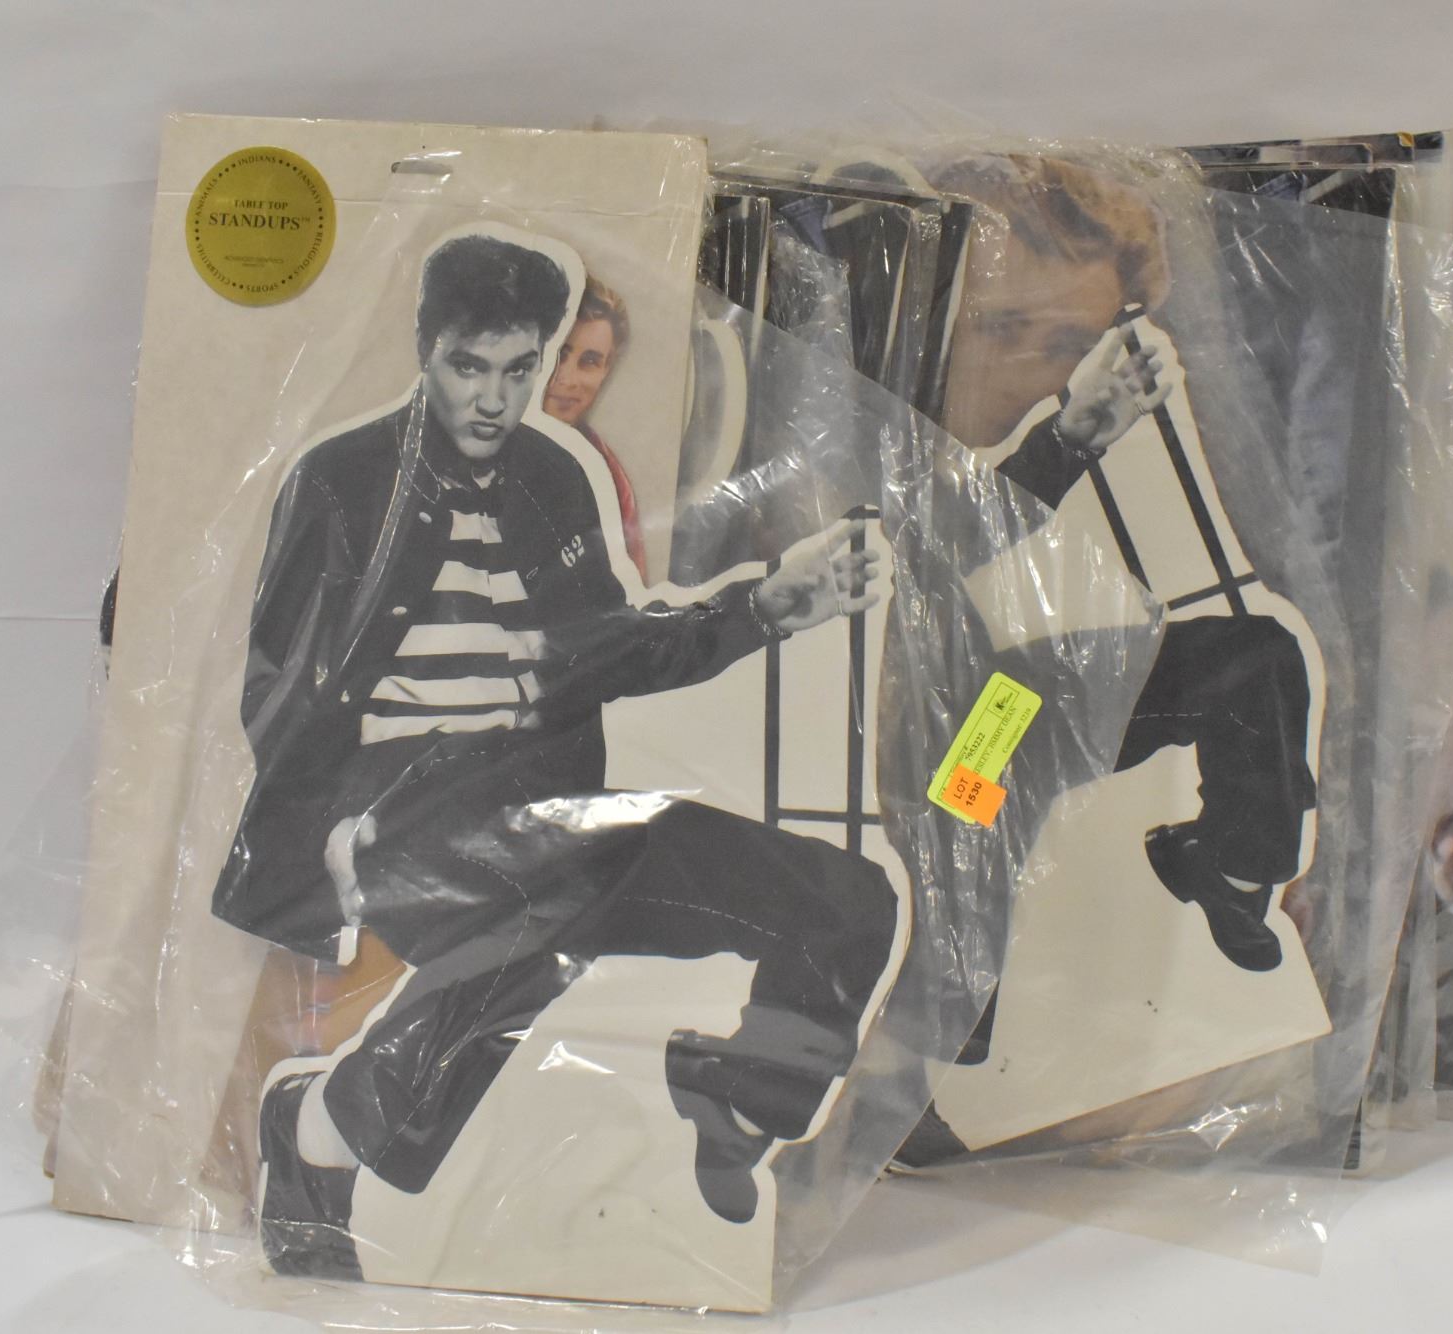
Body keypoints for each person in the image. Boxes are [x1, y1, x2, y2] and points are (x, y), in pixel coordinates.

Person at [213, 232, 899, 1278]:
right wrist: (335, 833)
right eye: (469, 366)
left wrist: (765, 605)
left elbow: (605, 656)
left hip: (546, 820)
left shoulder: (553, 477)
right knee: (554, 885)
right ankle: (323, 1136)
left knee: (848, 901)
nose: (495, 398)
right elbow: (279, 687)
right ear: (426, 350)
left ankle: (726, 1103)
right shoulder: (342, 478)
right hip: (398, 808)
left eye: (519, 369)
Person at [936, 154, 1317, 976]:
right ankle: (953, 997)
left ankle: (1230, 870)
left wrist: (1077, 434)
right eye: (1002, 328)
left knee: (1257, 658)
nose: (1032, 374)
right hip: (914, 744)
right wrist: (1068, 441)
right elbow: (929, 551)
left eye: (1067, 344)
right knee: (968, 824)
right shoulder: (862, 398)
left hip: (997, 703)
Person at [541, 275, 651, 580]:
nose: (568, 379)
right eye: (559, 355)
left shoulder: (610, 479)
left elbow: (630, 590)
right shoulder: (478, 440)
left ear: (607, 370)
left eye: (589, 361)